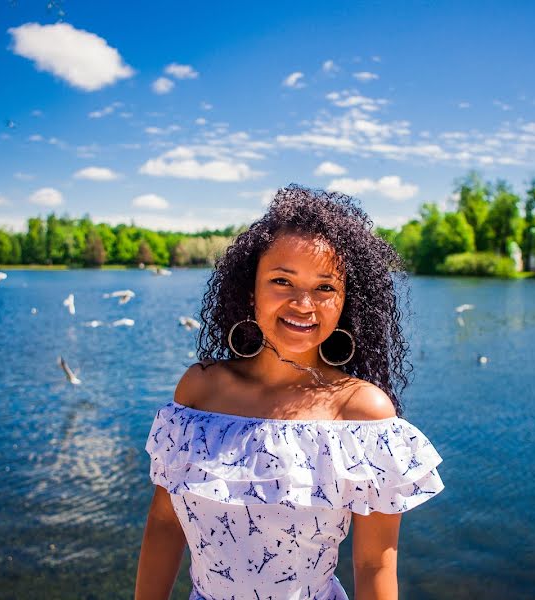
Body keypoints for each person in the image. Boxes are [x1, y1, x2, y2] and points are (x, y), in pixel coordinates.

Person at [136, 185, 444, 600]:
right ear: (251, 290)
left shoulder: (361, 413)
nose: (304, 304)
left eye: (325, 288)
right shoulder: (199, 392)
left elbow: (374, 565)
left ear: (346, 301)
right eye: (282, 280)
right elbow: (164, 524)